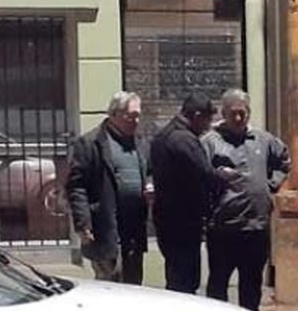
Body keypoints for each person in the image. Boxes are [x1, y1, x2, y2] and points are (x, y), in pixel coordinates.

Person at [201, 90, 291, 311]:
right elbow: (199, 175)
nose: (239, 118)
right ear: (223, 113)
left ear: (249, 112)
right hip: (224, 228)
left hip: (256, 227)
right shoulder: (211, 142)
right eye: (233, 114)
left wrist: (271, 184)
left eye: (243, 113)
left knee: (251, 285)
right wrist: (217, 180)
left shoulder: (263, 139)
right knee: (218, 284)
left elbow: (284, 160)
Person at [149, 92, 235, 293]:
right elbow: (204, 173)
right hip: (183, 221)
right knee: (186, 280)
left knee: (175, 274)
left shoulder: (164, 135)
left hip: (167, 218)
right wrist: (224, 177)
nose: (208, 126)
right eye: (206, 120)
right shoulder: (184, 139)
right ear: (196, 116)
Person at [66, 91, 152, 284]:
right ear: (114, 114)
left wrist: (150, 183)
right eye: (131, 116)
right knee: (109, 286)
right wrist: (82, 223)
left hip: (133, 229)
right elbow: (76, 186)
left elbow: (150, 170)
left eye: (138, 115)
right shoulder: (90, 143)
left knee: (134, 285)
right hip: (104, 226)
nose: (136, 121)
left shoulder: (140, 141)